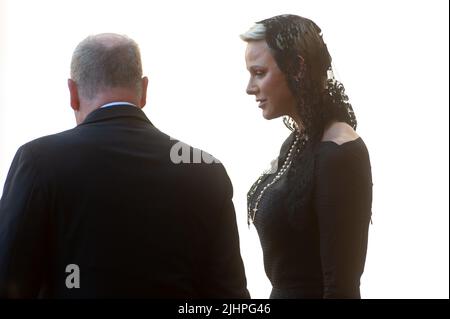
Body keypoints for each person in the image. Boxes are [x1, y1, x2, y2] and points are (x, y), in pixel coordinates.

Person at [0, 33, 249, 298]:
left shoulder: (38, 161)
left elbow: (9, 281)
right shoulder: (206, 170)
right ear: (144, 90)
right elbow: (229, 295)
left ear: (72, 93)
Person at [241, 14, 372, 298]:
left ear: (297, 67)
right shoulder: (297, 143)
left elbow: (342, 289)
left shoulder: (339, 153)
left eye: (259, 72)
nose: (250, 88)